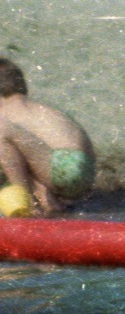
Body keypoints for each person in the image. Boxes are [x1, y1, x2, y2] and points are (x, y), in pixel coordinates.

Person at [0, 58, 95, 215]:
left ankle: (29, 202)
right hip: (84, 172)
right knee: (18, 150)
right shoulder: (44, 110)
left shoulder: (5, 111)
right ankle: (48, 198)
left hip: (61, 166)